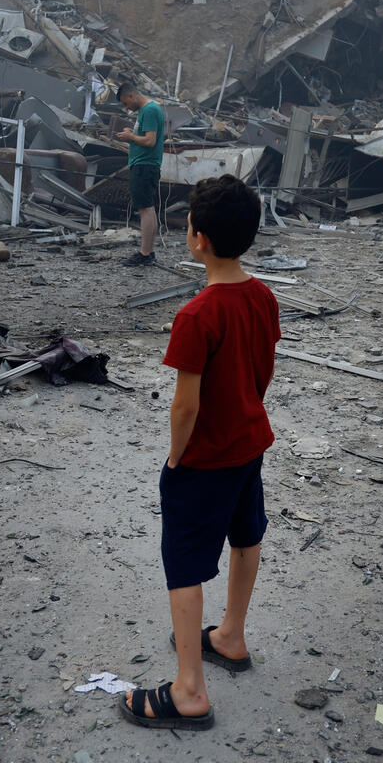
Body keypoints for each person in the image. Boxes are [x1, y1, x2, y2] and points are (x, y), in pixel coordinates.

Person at [119, 175, 280, 732]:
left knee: (184, 562)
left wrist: (174, 459)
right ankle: (231, 635)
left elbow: (184, 407)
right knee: (246, 534)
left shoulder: (196, 315)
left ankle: (189, 690)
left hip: (206, 457)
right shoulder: (263, 295)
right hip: (249, 443)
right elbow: (262, 369)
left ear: (197, 238)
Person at [116, 81, 166, 265]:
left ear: (131, 96)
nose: (127, 108)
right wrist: (132, 133)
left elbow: (150, 141)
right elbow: (145, 137)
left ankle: (145, 254)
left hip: (145, 165)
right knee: (147, 207)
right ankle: (148, 252)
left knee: (145, 209)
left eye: (125, 103)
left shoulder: (149, 111)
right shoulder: (148, 111)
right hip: (145, 165)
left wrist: (130, 137)